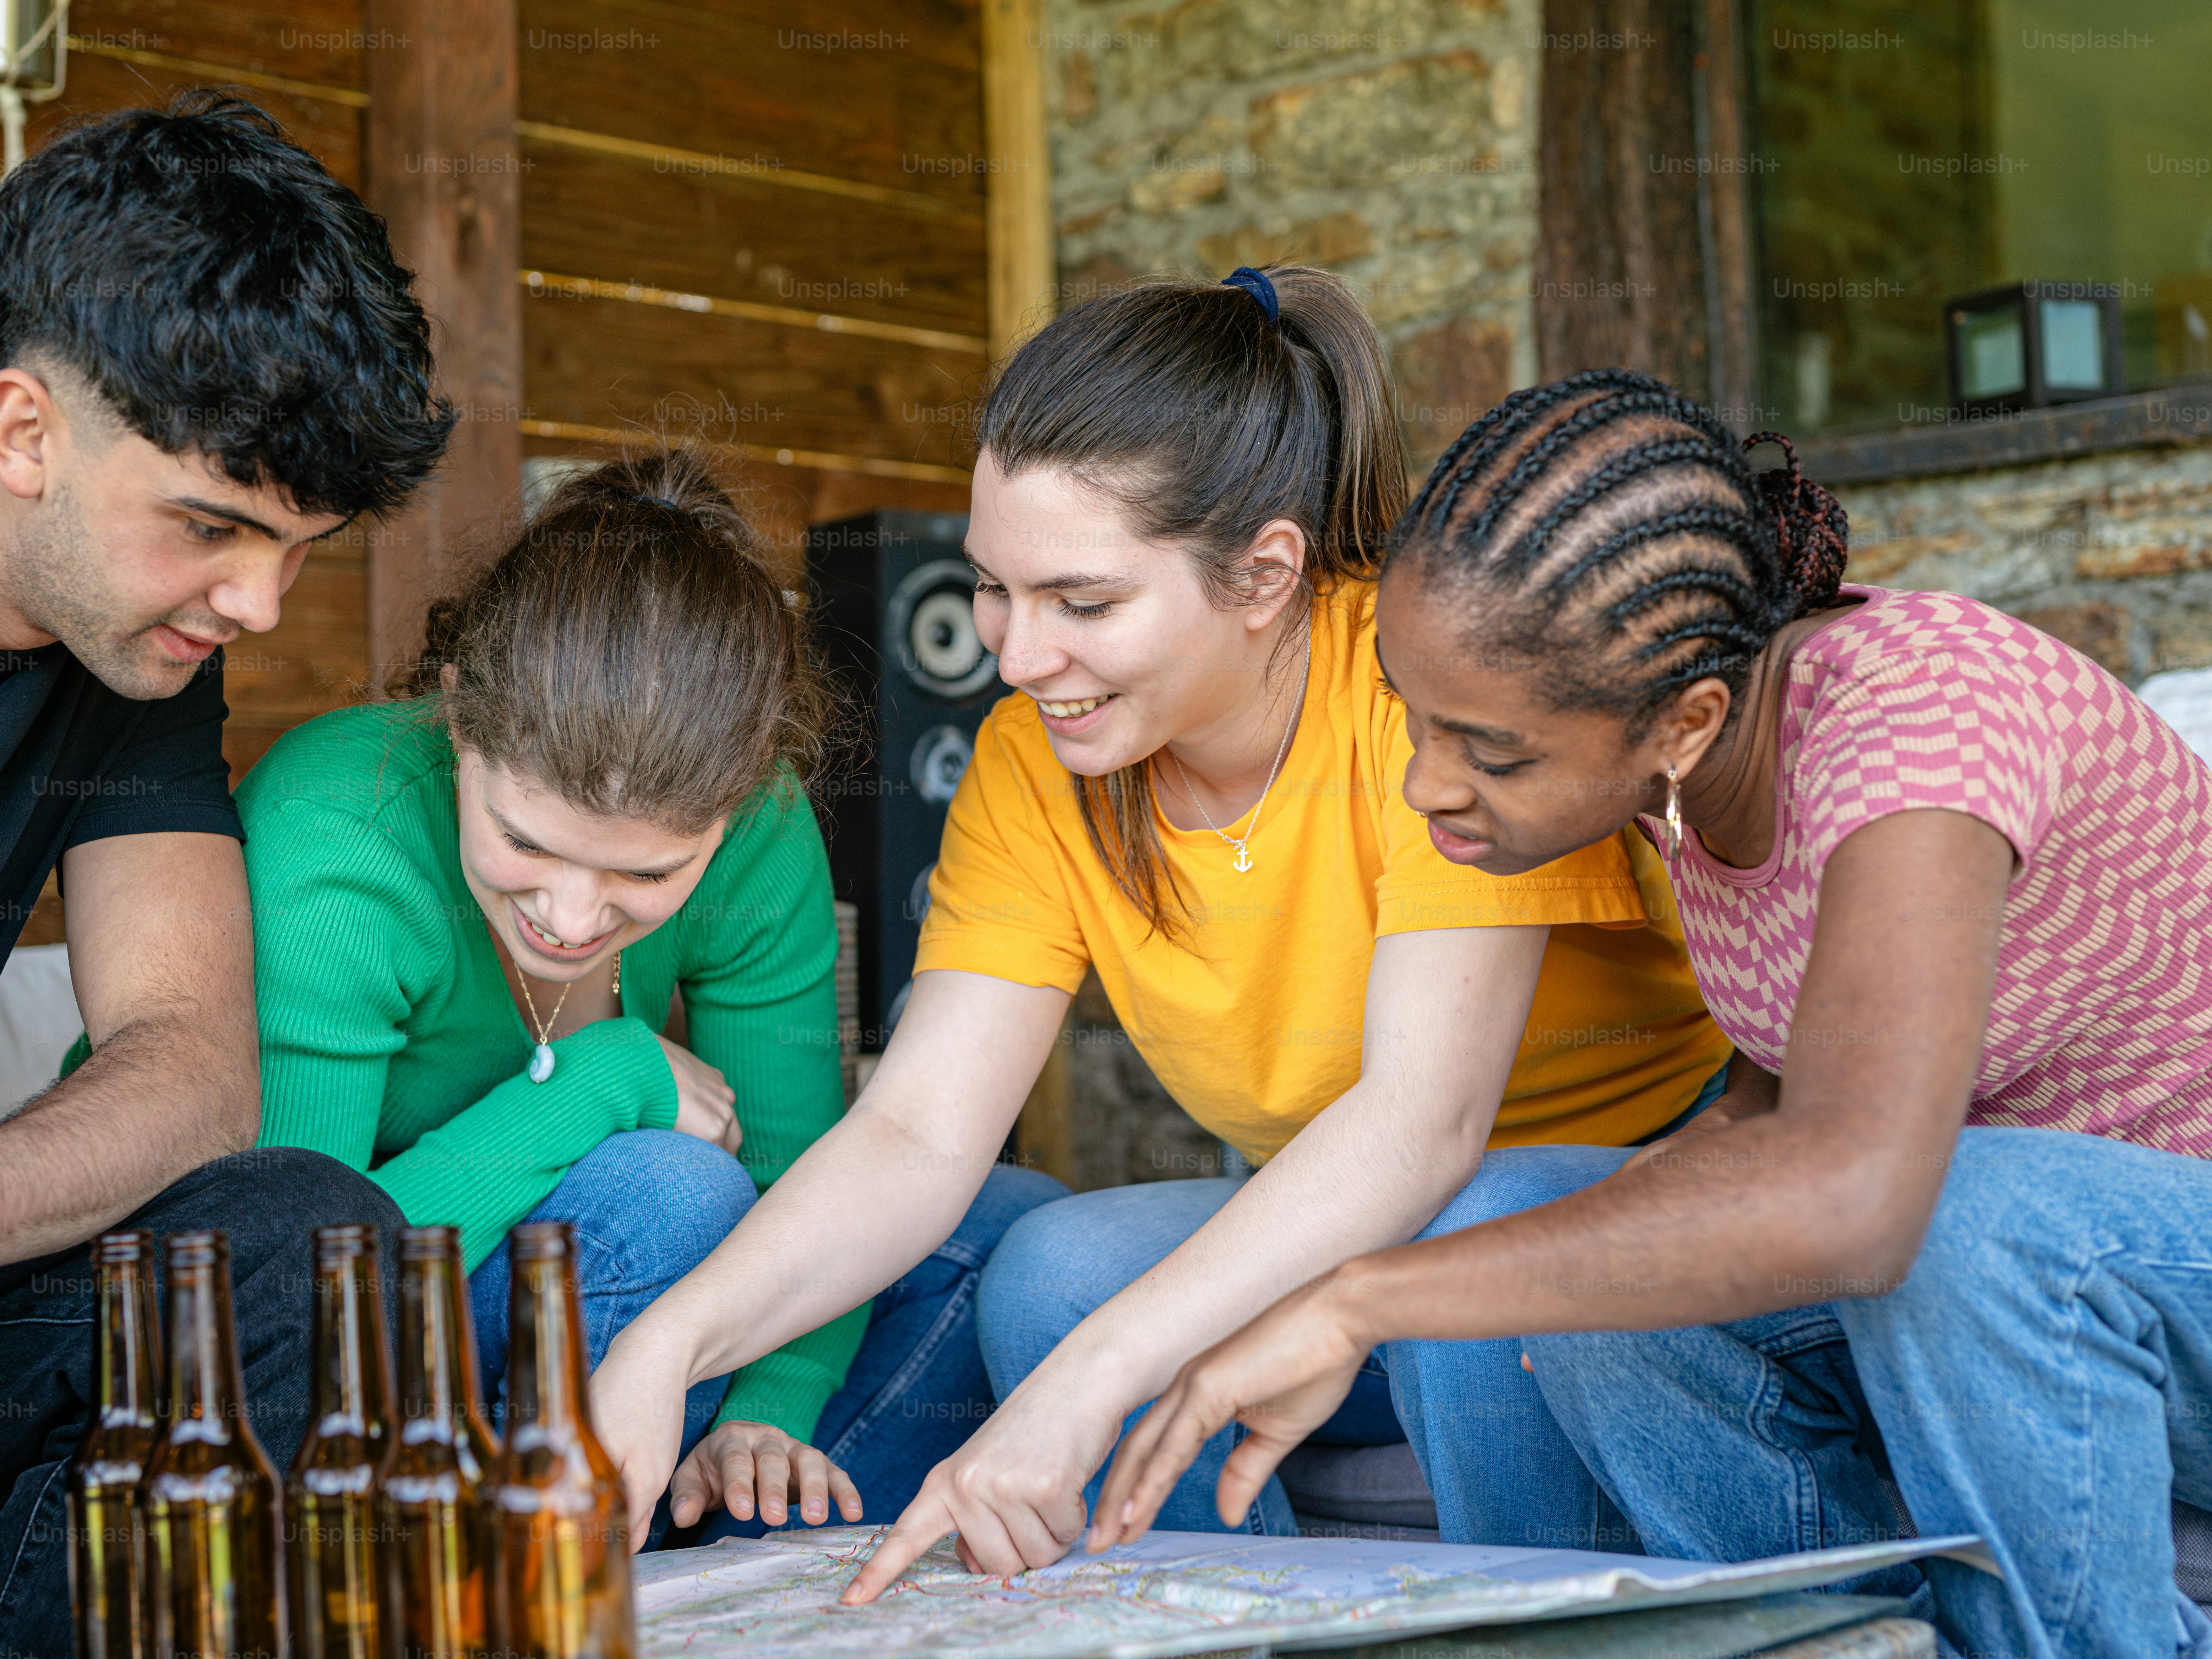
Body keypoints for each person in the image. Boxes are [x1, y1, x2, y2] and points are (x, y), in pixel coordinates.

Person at [584, 266, 1737, 1585]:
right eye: (995, 592)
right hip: (1349, 1226)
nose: (1016, 658)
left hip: (1602, 1199)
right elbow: (913, 1134)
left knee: (1464, 1257)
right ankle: (1248, 1620)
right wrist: (665, 1348)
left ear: (1263, 575)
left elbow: (1423, 1125)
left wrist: (1097, 1376)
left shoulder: (1418, 691)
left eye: (1082, 604)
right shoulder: (1038, 763)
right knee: (1051, 1267)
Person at [1090, 369, 2212, 1659]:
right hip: (2028, 1304)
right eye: (1419, 722)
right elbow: (1761, 1127)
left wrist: (1359, 1301)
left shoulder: (1922, 732)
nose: (1428, 788)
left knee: (1962, 1213)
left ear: (1688, 720)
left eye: (1493, 754)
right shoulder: (1698, 769)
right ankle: (1824, 1642)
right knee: (1581, 1250)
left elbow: (1853, 1197)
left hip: (2154, 1274)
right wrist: (1540, 1261)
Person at [0, 93, 451, 1652]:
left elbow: (193, 1070)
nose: (258, 601)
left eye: (298, 548)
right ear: (23, 431)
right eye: (212, 527)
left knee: (305, 1256)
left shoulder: (132, 658)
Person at [240, 450, 1067, 1539]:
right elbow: (286, 1294)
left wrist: (767, 1412)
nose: (573, 920)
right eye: (524, 843)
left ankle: (724, 1529)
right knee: (671, 1194)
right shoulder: (342, 839)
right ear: (458, 717)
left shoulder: (760, 834)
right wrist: (606, 1078)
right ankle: (533, 1562)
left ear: (737, 803)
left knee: (1008, 1231)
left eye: (645, 877)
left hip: (608, 1332)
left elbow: (802, 1173)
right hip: (338, 1351)